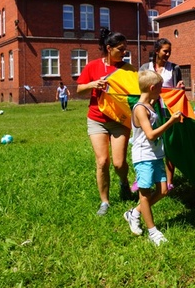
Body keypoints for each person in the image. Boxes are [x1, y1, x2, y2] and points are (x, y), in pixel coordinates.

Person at [77, 27, 135, 216]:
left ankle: (124, 182)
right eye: (121, 49)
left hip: (119, 119)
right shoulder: (93, 66)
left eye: (125, 48)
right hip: (97, 119)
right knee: (102, 161)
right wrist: (92, 84)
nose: (125, 52)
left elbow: (136, 93)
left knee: (119, 163)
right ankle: (105, 202)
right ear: (109, 48)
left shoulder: (129, 69)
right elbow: (79, 90)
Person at [123, 70, 183, 246]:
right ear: (151, 87)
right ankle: (153, 232)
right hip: (144, 156)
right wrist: (170, 122)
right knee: (145, 193)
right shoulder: (140, 109)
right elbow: (150, 135)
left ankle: (134, 213)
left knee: (163, 190)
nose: (161, 90)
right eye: (159, 87)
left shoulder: (149, 104)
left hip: (156, 154)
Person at [140, 38, 184, 188]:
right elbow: (140, 89)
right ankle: (150, 176)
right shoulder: (145, 68)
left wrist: (179, 88)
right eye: (165, 51)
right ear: (157, 51)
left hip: (168, 110)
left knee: (169, 145)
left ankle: (169, 182)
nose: (168, 54)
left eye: (169, 51)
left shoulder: (174, 68)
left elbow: (178, 89)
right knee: (152, 143)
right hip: (150, 111)